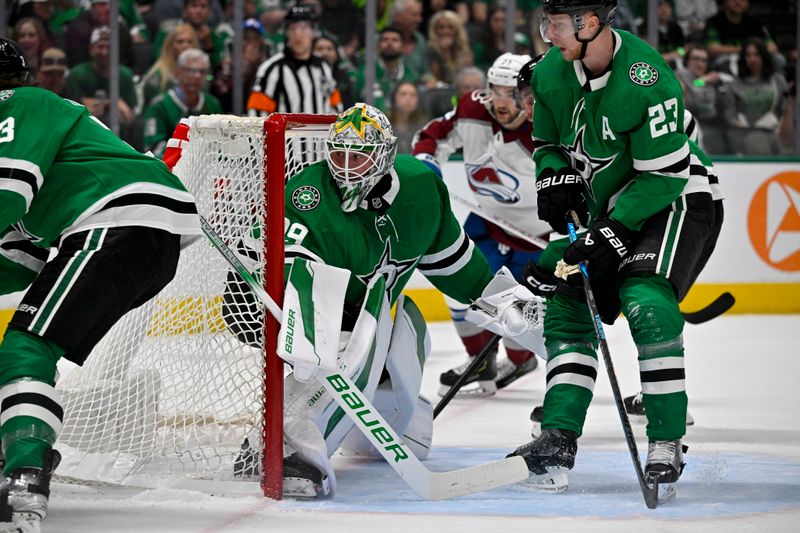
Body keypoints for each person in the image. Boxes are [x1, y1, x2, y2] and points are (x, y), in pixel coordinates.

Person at [162, 103, 542, 498]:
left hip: (371, 317)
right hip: (276, 304)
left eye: (358, 156)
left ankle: (359, 409)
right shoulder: (310, 194)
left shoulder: (420, 189)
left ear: (385, 155)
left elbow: (458, 268)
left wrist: (510, 307)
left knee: (409, 434)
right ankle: (287, 447)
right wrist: (309, 342)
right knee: (347, 342)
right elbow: (298, 277)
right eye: (338, 154)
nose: (345, 166)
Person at [507, 0, 721, 496]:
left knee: (646, 303)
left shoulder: (648, 80)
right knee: (567, 300)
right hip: (612, 205)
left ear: (591, 23)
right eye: (547, 22)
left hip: (676, 199)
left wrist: (615, 228)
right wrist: (551, 177)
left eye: (556, 24)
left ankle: (666, 441)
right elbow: (548, 145)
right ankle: (558, 436)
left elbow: (666, 175)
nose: (548, 34)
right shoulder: (549, 74)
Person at [0, 37, 200, 530]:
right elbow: (19, 260)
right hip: (138, 235)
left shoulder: (17, 103)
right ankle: (29, 451)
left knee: (26, 350)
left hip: (119, 220)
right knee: (29, 348)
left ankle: (26, 470)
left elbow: (6, 191)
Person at [413, 53, 548, 397]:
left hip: (534, 234)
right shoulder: (472, 110)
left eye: (510, 93)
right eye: (494, 91)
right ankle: (480, 361)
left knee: (519, 311)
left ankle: (520, 359)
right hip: (485, 223)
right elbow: (432, 135)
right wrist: (427, 166)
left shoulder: (544, 128)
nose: (500, 102)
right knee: (460, 294)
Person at [247, 4, 342, 115]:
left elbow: (336, 107)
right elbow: (257, 116)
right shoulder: (271, 69)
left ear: (313, 32)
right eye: (293, 28)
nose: (298, 34)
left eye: (303, 28)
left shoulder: (323, 67)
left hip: (321, 132)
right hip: (285, 133)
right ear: (286, 33)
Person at [62, 26, 139, 148]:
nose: (104, 52)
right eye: (100, 46)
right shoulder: (78, 73)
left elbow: (129, 113)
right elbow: (74, 106)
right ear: (91, 49)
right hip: (85, 133)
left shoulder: (125, 75)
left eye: (109, 47)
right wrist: (113, 102)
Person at [143, 48, 222, 157]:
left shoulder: (212, 104)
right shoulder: (159, 106)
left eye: (202, 72)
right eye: (191, 71)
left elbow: (221, 143)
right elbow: (153, 147)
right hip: (170, 169)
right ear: (178, 72)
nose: (197, 76)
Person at [721, 37, 788, 156]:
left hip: (775, 135)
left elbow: (784, 110)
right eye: (748, 55)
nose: (752, 59)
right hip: (744, 136)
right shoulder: (733, 85)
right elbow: (729, 117)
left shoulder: (777, 81)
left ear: (764, 56)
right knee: (756, 141)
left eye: (756, 54)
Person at [137, 22, 199, 114]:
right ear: (171, 46)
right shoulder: (158, 78)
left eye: (190, 42)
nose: (185, 46)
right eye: (180, 42)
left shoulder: (199, 74)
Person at [354, 26, 418, 113]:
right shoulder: (367, 71)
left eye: (395, 40)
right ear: (378, 46)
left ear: (403, 47)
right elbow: (376, 105)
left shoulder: (409, 74)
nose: (389, 43)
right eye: (385, 40)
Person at [425, 9, 473, 87]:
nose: (445, 31)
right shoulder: (430, 50)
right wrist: (445, 54)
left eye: (450, 27)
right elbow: (438, 79)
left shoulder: (463, 49)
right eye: (441, 27)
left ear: (457, 30)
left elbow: (467, 76)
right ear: (434, 30)